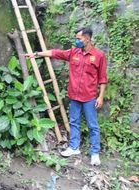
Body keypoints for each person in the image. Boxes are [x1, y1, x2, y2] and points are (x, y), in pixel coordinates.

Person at [24, 27, 108, 166]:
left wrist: (101, 97)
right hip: (74, 95)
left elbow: (103, 78)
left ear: (87, 39)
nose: (76, 41)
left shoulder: (99, 55)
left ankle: (95, 153)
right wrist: (37, 54)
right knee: (74, 122)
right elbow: (56, 53)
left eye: (79, 39)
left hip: (89, 97)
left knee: (93, 125)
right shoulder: (74, 52)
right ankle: (74, 148)